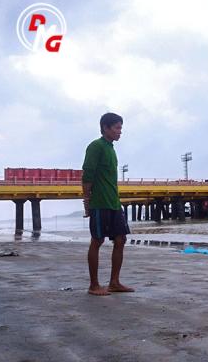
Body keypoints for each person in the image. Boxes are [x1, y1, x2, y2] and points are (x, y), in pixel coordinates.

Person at [82, 112, 134, 296]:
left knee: (121, 239)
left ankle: (114, 282)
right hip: (99, 202)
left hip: (113, 202)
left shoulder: (111, 148)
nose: (120, 131)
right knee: (97, 240)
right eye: (117, 127)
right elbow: (87, 174)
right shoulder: (96, 146)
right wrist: (87, 201)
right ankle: (94, 285)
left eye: (121, 127)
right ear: (106, 127)